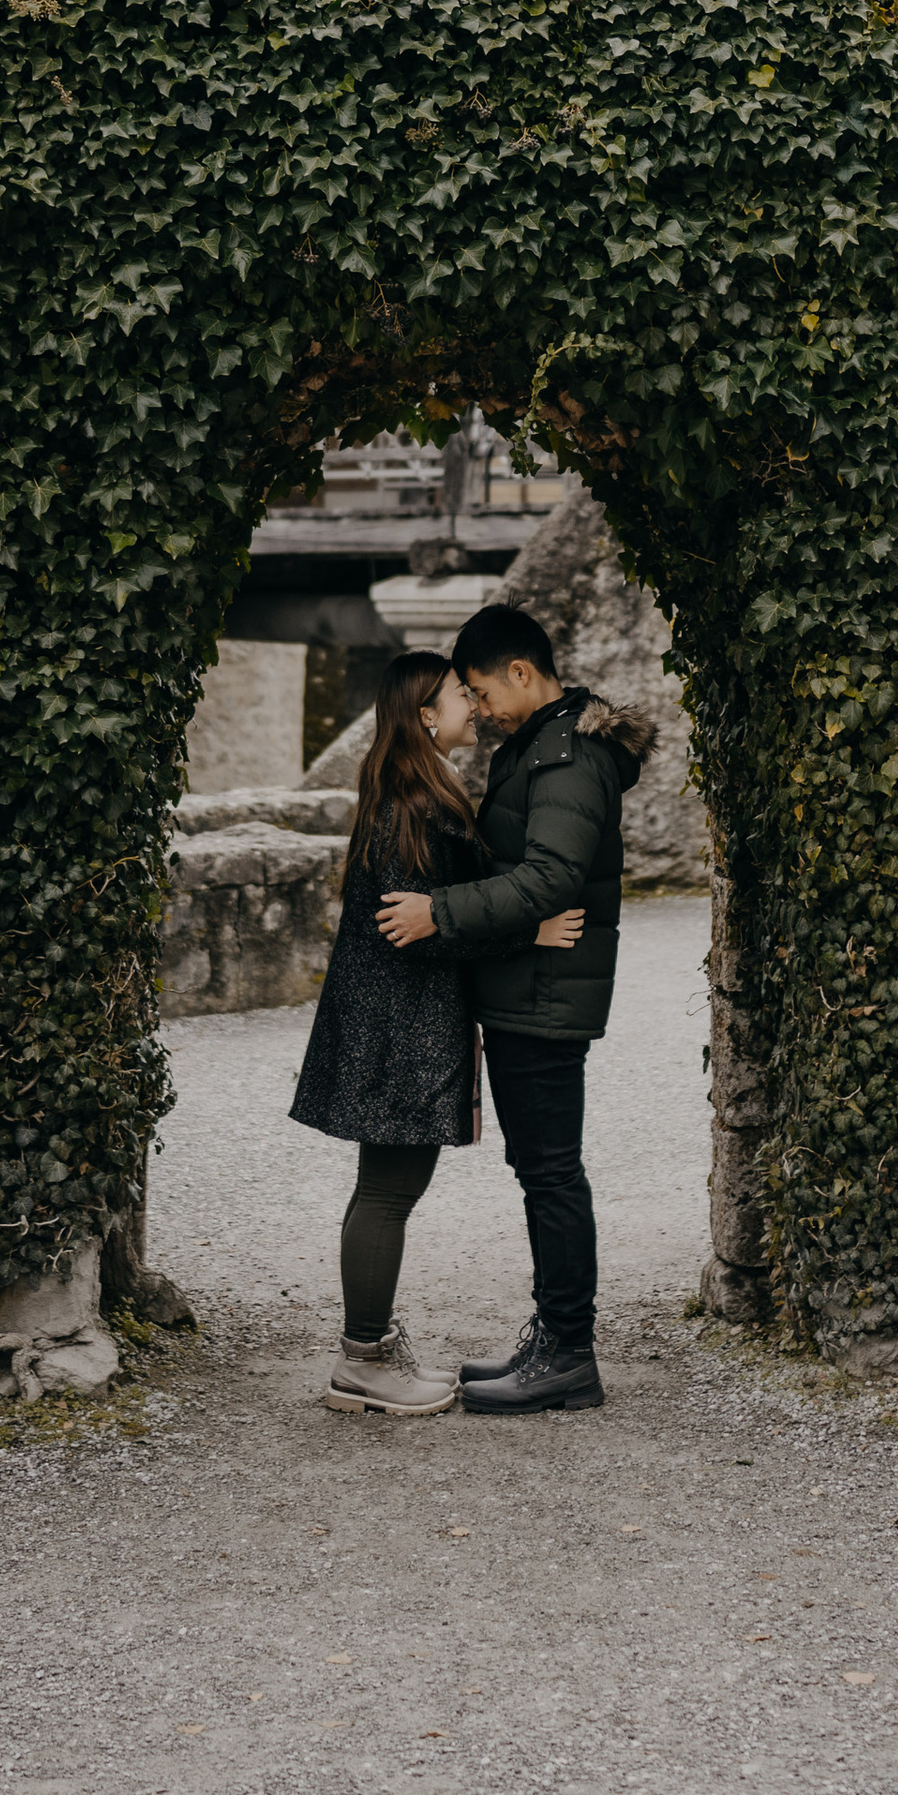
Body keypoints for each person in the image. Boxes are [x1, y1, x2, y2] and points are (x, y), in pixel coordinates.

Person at [289, 649, 585, 1416]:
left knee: (385, 1188)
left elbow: (433, 911)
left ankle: (369, 1351)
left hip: (395, 1025)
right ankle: (362, 1362)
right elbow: (415, 926)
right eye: (460, 694)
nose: (474, 706)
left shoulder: (411, 790)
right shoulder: (416, 804)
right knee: (387, 1191)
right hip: (399, 1029)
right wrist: (529, 930)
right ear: (425, 714)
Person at [374, 599, 651, 1417]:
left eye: (482, 691)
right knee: (541, 1171)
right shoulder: (542, 743)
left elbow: (550, 876)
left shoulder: (566, 756)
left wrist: (439, 912)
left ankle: (568, 1355)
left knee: (552, 1173)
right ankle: (554, 1338)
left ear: (522, 672)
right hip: (530, 987)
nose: (480, 708)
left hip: (544, 996)